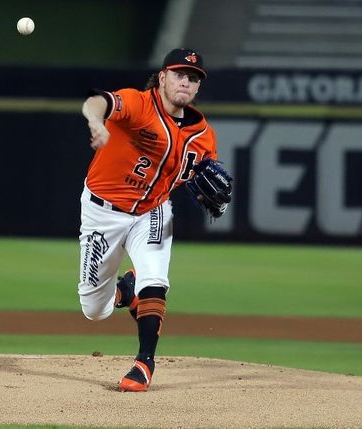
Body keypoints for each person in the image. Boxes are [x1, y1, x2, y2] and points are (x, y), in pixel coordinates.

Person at [79, 48, 225, 392]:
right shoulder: (138, 104)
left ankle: (144, 363)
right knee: (94, 310)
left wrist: (210, 194)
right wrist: (96, 122)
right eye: (179, 74)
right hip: (103, 212)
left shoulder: (203, 135)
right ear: (162, 77)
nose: (186, 82)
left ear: (198, 87)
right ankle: (125, 293)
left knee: (155, 278)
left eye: (193, 78)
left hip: (153, 210)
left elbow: (206, 177)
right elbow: (95, 102)